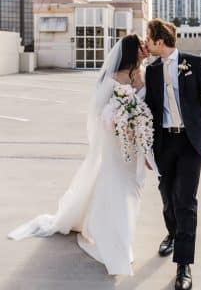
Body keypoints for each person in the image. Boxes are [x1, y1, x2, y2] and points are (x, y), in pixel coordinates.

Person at [8, 34, 159, 276]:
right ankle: (116, 244)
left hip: (134, 146)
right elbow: (98, 111)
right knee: (116, 190)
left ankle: (121, 235)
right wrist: (118, 120)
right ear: (132, 51)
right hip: (114, 144)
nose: (145, 47)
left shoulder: (146, 74)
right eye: (141, 45)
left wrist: (137, 128)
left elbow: (148, 108)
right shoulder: (112, 78)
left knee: (132, 191)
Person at [145, 18, 201, 290]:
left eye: (148, 38)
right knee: (166, 194)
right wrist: (145, 146)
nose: (146, 42)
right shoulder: (152, 70)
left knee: (186, 201)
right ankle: (171, 233)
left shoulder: (193, 63)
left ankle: (183, 264)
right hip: (163, 143)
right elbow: (149, 110)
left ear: (159, 41)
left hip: (191, 142)